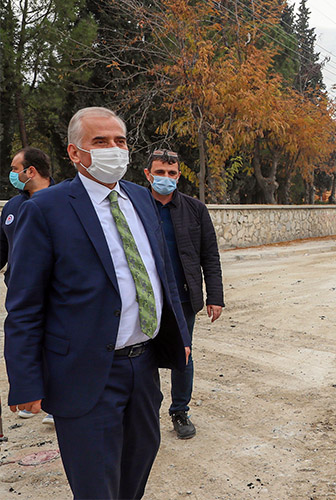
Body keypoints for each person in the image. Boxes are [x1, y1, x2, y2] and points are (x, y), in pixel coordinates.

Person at [4, 106, 190, 499]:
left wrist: (180, 335)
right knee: (95, 486)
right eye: (100, 142)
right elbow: (23, 306)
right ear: (75, 153)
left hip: (143, 369)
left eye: (120, 141)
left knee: (135, 474)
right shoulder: (44, 210)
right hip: (84, 373)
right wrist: (25, 381)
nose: (114, 149)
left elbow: (162, 275)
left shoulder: (141, 199)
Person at [143, 148, 224, 440]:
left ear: (179, 176)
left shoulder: (195, 210)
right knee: (142, 357)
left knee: (183, 354)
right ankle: (146, 411)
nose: (165, 178)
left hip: (183, 298)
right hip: (144, 298)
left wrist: (214, 295)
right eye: (160, 172)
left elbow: (210, 256)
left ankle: (180, 410)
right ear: (147, 174)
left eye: (171, 173)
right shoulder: (134, 206)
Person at [1, 147, 56, 425]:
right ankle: (34, 394)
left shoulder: (64, 203)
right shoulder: (12, 208)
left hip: (58, 293)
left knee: (58, 345)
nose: (11, 174)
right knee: (29, 341)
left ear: (30, 171)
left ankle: (58, 403)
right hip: (22, 291)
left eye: (14, 168)